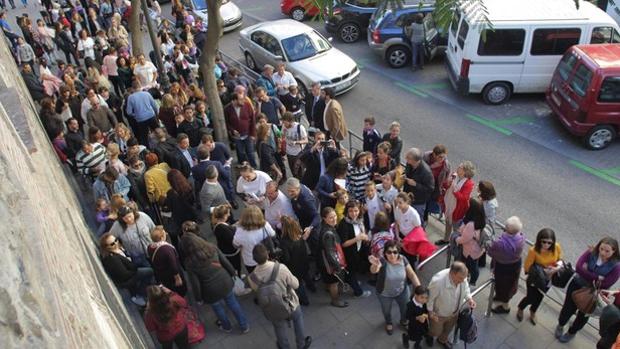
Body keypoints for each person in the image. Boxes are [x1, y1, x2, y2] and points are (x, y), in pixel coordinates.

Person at [179, 221, 250, 334]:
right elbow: (225, 262)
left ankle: (226, 326)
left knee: (218, 309)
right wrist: (233, 274)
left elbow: (195, 283)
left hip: (209, 291)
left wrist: (198, 298)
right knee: (233, 303)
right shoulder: (211, 247)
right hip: (225, 281)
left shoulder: (189, 263)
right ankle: (244, 325)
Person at [247, 244, 312, 349]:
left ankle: (284, 346)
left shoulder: (252, 278)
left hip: (272, 308)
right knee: (298, 319)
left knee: (279, 327)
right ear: (267, 255)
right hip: (290, 302)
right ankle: (301, 344)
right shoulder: (280, 268)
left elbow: (258, 292)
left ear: (254, 259)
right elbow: (296, 284)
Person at [556, 237, 620, 343]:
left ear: (614, 251)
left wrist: (587, 272)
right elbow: (578, 267)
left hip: (593, 293)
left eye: (607, 251)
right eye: (601, 249)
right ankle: (561, 325)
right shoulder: (591, 252)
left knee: (583, 316)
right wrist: (598, 277)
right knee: (567, 308)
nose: (603, 253)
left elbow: (607, 283)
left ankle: (572, 332)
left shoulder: (616, 266)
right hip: (577, 285)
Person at [369, 240, 421, 335]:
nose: (392, 255)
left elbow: (412, 275)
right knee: (386, 310)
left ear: (398, 252)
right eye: (389, 252)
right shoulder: (382, 261)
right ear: (385, 253)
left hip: (402, 291)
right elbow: (374, 270)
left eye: (395, 252)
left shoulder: (403, 259)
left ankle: (404, 321)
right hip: (385, 294)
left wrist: (419, 289)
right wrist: (375, 265)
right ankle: (388, 322)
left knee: (405, 308)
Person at [516, 228, 562, 325]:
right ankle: (521, 308)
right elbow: (527, 267)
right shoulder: (533, 251)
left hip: (548, 280)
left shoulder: (556, 247)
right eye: (544, 242)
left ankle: (533, 312)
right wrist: (543, 270)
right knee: (530, 297)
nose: (546, 245)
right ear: (539, 240)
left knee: (540, 298)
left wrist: (556, 268)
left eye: (549, 243)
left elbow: (560, 260)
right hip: (535, 279)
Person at [427, 262, 476, 348]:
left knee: (448, 330)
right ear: (452, 273)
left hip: (454, 313)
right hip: (439, 314)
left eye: (464, 278)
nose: (462, 281)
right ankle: (430, 335)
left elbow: (466, 288)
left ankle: (442, 340)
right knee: (435, 331)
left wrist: (469, 299)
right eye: (460, 278)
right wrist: (430, 312)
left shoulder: (462, 278)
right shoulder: (437, 282)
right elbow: (430, 298)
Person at [99, 232, 153, 306]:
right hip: (126, 279)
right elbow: (124, 274)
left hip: (130, 268)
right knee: (150, 271)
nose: (115, 243)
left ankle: (141, 290)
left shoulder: (117, 249)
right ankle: (137, 295)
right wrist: (135, 269)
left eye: (116, 240)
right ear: (107, 247)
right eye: (112, 244)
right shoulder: (113, 258)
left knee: (143, 262)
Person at [487, 216, 525, 314]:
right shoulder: (521, 237)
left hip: (502, 267)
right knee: (510, 285)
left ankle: (505, 307)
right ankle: (501, 297)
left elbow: (490, 252)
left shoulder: (500, 243)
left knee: (501, 285)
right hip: (515, 265)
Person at [337, 200, 372, 298]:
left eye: (356, 211)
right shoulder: (344, 224)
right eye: (351, 211)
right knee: (351, 271)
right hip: (349, 253)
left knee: (352, 270)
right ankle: (358, 292)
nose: (354, 214)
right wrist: (357, 238)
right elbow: (343, 243)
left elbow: (362, 230)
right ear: (347, 211)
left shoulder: (360, 219)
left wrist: (364, 236)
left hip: (358, 250)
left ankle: (350, 281)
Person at [437, 161, 476, 245]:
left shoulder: (469, 183)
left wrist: (455, 191)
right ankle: (446, 239)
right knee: (447, 223)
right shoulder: (454, 176)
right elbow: (445, 186)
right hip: (448, 204)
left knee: (456, 228)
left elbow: (464, 198)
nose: (457, 168)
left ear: (465, 171)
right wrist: (447, 183)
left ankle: (456, 244)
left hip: (457, 209)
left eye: (460, 167)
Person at [318, 207, 348, 308]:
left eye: (335, 216)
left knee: (330, 281)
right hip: (329, 263)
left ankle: (328, 289)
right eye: (331, 217)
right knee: (334, 282)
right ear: (324, 219)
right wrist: (337, 266)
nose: (334, 219)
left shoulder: (326, 228)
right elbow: (330, 253)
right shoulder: (328, 234)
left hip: (323, 261)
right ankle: (335, 300)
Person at [233, 205, 277, 273]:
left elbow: (235, 245)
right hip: (266, 256)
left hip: (250, 261)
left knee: (255, 278)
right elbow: (273, 235)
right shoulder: (265, 225)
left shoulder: (240, 231)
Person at [279, 216, 311, 306]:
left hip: (294, 268)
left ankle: (305, 300)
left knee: (299, 284)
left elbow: (286, 258)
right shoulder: (299, 234)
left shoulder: (284, 241)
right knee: (306, 275)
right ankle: (312, 287)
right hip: (304, 262)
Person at [455, 198, 486, 286]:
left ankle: (472, 282)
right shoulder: (480, 220)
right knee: (473, 265)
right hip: (477, 250)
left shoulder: (471, 225)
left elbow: (464, 239)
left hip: (470, 251)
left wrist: (456, 239)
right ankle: (472, 279)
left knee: (472, 267)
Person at [148, 226, 186, 296]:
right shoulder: (167, 249)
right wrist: (177, 278)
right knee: (179, 290)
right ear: (162, 237)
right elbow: (173, 265)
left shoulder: (150, 247)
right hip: (171, 275)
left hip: (162, 275)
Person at [164, 169, 201, 241]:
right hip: (191, 217)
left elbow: (170, 208)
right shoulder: (189, 186)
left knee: (185, 239)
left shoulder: (170, 193)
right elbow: (193, 201)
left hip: (180, 221)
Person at [402, 148, 435, 226]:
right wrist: (404, 175)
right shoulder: (409, 164)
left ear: (415, 160)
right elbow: (406, 171)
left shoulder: (426, 172)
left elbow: (430, 189)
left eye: (408, 158)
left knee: (418, 222)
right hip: (408, 196)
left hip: (418, 201)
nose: (406, 159)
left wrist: (416, 184)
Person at [224, 92, 257, 168]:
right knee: (241, 152)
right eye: (241, 99)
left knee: (250, 152)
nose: (243, 101)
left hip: (248, 134)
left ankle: (254, 167)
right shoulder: (227, 109)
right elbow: (226, 122)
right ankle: (244, 167)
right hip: (237, 136)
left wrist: (253, 134)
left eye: (243, 99)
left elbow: (253, 120)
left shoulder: (247, 105)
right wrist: (232, 130)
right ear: (234, 100)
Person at [286, 178, 321, 243]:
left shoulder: (306, 201)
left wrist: (310, 227)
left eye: (292, 191)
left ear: (298, 188)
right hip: (303, 216)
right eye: (288, 191)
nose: (289, 193)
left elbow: (317, 216)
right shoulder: (298, 185)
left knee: (314, 242)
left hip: (311, 222)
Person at [125, 80, 159, 146]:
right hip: (151, 116)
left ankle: (147, 150)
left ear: (132, 88)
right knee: (158, 131)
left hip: (140, 119)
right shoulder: (147, 94)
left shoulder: (130, 98)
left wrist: (135, 115)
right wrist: (156, 115)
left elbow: (129, 112)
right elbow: (155, 106)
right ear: (140, 86)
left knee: (144, 137)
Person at [422, 144, 451, 222]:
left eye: (444, 157)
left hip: (434, 189)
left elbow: (446, 178)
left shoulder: (446, 165)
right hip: (423, 185)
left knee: (427, 206)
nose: (442, 159)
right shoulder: (426, 157)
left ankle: (424, 220)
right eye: (440, 157)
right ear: (434, 154)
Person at [212, 204, 242, 276]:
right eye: (228, 213)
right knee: (235, 267)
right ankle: (238, 280)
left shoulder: (219, 225)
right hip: (230, 252)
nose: (229, 215)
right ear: (223, 215)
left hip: (226, 250)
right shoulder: (222, 229)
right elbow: (233, 240)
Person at [282, 111, 308, 179]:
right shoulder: (284, 126)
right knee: (294, 172)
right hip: (289, 153)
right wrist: (283, 134)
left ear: (290, 121)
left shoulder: (299, 127)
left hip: (298, 153)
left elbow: (306, 140)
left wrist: (296, 142)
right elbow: (283, 137)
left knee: (300, 172)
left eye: (285, 122)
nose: (283, 124)